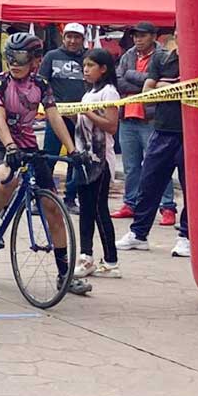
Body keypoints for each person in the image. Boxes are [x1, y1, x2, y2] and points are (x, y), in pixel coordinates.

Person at [0, 32, 92, 296]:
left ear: (35, 61)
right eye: (10, 57)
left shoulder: (41, 84)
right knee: (8, 177)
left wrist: (73, 150)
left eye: (21, 58)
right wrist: (10, 147)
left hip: (28, 144)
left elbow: (54, 117)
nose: (14, 63)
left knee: (52, 208)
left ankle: (65, 276)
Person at [117, 33, 189, 257]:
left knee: (191, 189)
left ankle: (186, 236)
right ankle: (138, 234)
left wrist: (166, 85)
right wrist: (171, 86)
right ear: (175, 35)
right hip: (162, 130)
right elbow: (148, 93)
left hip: (190, 133)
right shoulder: (162, 59)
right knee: (149, 183)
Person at [113, 22, 177, 225]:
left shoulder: (164, 56)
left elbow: (163, 83)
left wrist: (138, 79)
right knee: (131, 167)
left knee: (159, 165)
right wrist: (146, 81)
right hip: (128, 117)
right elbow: (118, 80)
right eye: (135, 36)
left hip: (151, 118)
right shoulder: (128, 55)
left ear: (153, 36)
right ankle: (130, 203)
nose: (138, 39)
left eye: (143, 35)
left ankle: (167, 207)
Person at [72, 49, 121, 279]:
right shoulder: (88, 92)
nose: (86, 69)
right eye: (85, 65)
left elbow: (111, 126)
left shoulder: (109, 92)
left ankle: (111, 261)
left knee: (99, 210)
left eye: (91, 65)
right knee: (85, 210)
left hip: (100, 160)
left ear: (103, 69)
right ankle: (86, 256)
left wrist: (88, 114)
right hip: (83, 158)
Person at [40, 23, 89, 210]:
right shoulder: (52, 56)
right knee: (49, 157)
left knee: (76, 158)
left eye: (77, 37)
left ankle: (70, 199)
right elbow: (42, 83)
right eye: (69, 36)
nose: (72, 41)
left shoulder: (88, 57)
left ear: (82, 39)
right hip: (56, 117)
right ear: (63, 37)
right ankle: (44, 196)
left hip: (81, 117)